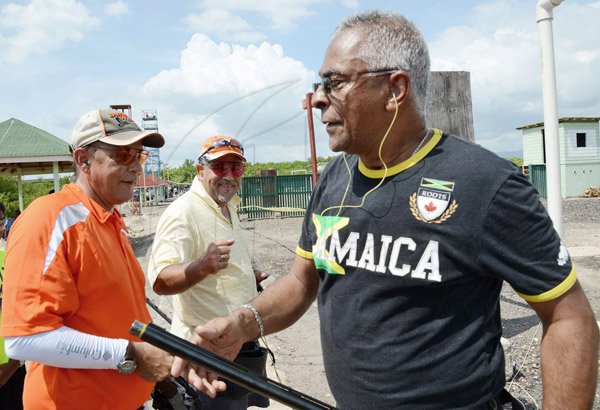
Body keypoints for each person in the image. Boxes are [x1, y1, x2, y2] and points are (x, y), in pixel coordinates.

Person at [171, 10, 600, 409]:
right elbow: (305, 280)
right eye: (320, 84)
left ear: (395, 89)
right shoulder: (335, 180)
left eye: (334, 82)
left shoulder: (486, 184)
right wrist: (241, 324)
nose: (319, 99)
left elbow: (569, 317)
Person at [0, 108, 174, 409]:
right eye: (123, 155)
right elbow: (23, 339)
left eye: (139, 156)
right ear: (83, 160)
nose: (135, 168)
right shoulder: (49, 218)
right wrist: (132, 354)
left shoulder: (109, 221)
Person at [148, 135, 269, 409]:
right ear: (200, 170)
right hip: (205, 356)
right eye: (219, 166)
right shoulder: (184, 211)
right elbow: (160, 279)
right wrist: (201, 266)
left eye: (235, 168)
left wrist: (249, 277)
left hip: (238, 345)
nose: (228, 175)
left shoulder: (228, 205)